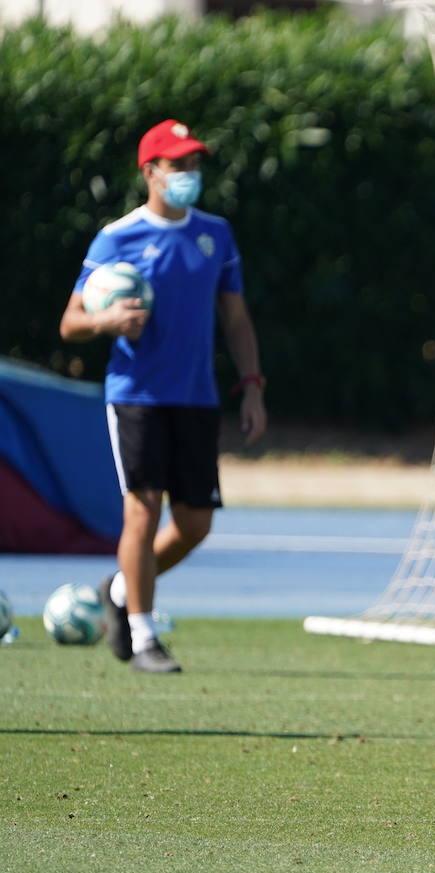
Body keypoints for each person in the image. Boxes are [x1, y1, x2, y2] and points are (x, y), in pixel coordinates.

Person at [58, 119, 267, 674]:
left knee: (196, 524)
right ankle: (144, 635)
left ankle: (120, 589)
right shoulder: (117, 237)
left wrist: (252, 385)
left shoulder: (216, 234)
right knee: (143, 508)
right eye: (178, 165)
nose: (189, 174)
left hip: (197, 397)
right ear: (150, 171)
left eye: (194, 164)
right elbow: (70, 322)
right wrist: (107, 320)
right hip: (137, 395)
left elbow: (236, 318)